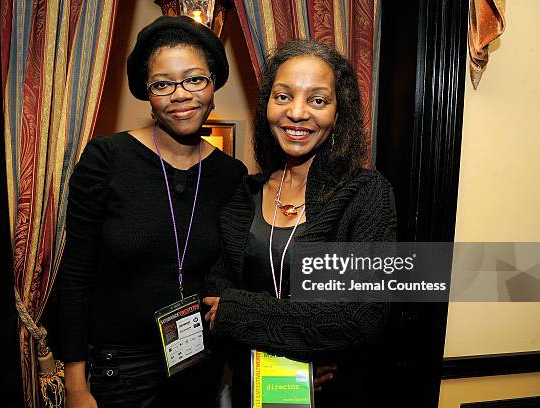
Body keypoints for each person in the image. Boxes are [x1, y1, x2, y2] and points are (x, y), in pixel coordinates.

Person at [57, 16, 247, 408]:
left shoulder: (231, 174)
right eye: (162, 84)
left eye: (195, 79)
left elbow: (234, 274)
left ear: (214, 85)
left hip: (198, 361)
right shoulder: (106, 159)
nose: (181, 95)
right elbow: (75, 274)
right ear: (148, 93)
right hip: (121, 367)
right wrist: (76, 385)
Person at [203, 40, 397, 407]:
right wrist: (293, 348)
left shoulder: (367, 194)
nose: (297, 112)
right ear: (267, 108)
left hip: (335, 395)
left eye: (317, 100)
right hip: (252, 389)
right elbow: (214, 295)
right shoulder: (244, 194)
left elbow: (360, 315)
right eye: (283, 96)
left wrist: (239, 311)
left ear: (339, 114)